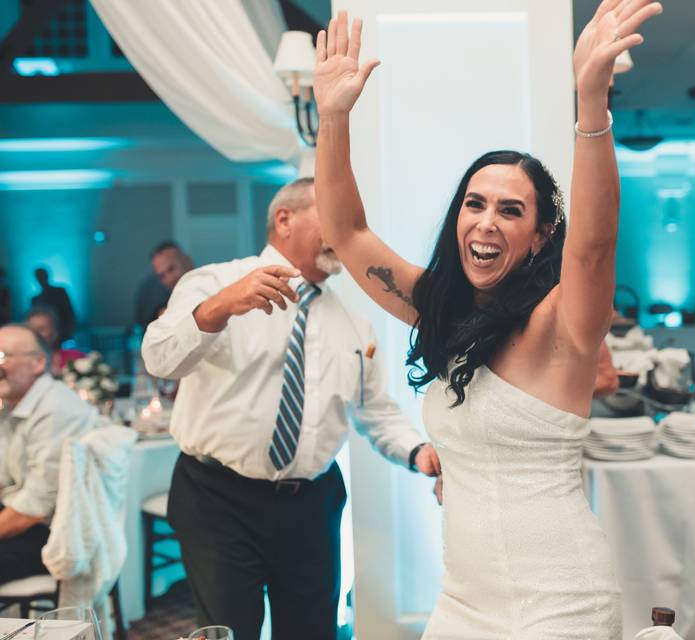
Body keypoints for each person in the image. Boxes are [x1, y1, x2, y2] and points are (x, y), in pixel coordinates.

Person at [311, 2, 661, 637]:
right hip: (464, 602)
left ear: (538, 236)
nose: (486, 221)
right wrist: (332, 117)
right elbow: (347, 230)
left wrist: (591, 104)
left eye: (509, 210)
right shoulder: (440, 310)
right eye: (474, 203)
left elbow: (594, 246)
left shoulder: (562, 326)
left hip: (561, 603)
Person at [141, 178, 441, 640]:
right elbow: (159, 358)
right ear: (284, 218)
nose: (344, 231)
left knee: (311, 633)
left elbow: (374, 410)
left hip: (312, 506)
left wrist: (418, 450)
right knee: (229, 632)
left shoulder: (353, 323)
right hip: (218, 498)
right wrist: (218, 309)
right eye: (333, 215)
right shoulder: (212, 283)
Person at [0, 324, 100, 583]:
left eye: (2, 356)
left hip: (51, 534)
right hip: (20, 513)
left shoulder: (54, 410)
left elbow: (34, 509)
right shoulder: (13, 405)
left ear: (38, 362)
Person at [134, 242, 194, 329]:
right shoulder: (155, 294)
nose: (169, 279)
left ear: (188, 261)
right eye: (162, 276)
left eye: (171, 269)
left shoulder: (211, 283)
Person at [25, 307, 85, 378]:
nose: (36, 333)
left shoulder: (75, 358)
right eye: (32, 329)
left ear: (55, 332)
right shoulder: (21, 363)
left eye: (41, 329)